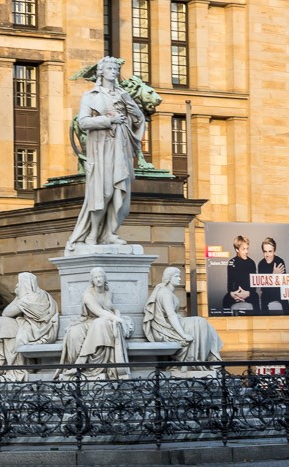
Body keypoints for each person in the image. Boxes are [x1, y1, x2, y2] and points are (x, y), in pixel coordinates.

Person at [66, 56, 146, 250]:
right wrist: (108, 120)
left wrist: (129, 102)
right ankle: (93, 233)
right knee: (103, 192)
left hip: (121, 148)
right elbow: (83, 122)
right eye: (110, 68)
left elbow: (138, 120)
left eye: (116, 68)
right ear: (101, 72)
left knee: (121, 194)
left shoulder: (123, 94)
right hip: (101, 150)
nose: (114, 71)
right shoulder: (91, 96)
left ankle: (110, 233)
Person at [56, 267, 132, 379]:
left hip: (102, 320)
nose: (98, 279)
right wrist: (119, 320)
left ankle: (86, 363)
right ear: (92, 280)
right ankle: (80, 362)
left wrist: (117, 315)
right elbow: (100, 312)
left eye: (100, 276)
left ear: (104, 278)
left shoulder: (109, 292)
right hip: (89, 320)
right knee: (76, 333)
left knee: (100, 323)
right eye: (95, 277)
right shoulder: (87, 295)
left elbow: (109, 309)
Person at [143, 267, 223, 370]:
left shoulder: (167, 292)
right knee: (199, 321)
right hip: (166, 328)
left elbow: (172, 315)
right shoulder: (165, 293)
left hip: (172, 323)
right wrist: (183, 335)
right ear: (169, 278)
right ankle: (197, 361)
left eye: (180, 276)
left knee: (205, 325)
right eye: (176, 276)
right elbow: (171, 315)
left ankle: (212, 359)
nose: (180, 279)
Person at [0, 272, 59, 381]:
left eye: (19, 283)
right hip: (37, 328)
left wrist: (17, 297)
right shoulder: (43, 294)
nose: (16, 286)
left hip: (35, 330)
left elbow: (6, 313)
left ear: (25, 284)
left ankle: (13, 367)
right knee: (3, 324)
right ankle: (10, 365)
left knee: (2, 323)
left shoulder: (29, 298)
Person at [222, 235, 259, 312]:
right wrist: (233, 294)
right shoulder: (232, 262)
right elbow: (229, 285)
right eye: (243, 249)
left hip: (248, 293)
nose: (246, 251)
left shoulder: (251, 263)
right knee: (225, 300)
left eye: (247, 248)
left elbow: (254, 286)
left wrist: (247, 293)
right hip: (236, 294)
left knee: (256, 297)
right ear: (237, 249)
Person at [257, 237, 289, 315]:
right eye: (265, 252)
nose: (267, 255)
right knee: (263, 299)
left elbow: (283, 282)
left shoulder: (280, 261)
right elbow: (263, 285)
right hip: (267, 293)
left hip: (279, 291)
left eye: (270, 251)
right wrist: (274, 275)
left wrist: (270, 279)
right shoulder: (261, 264)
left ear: (274, 251)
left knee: (285, 299)